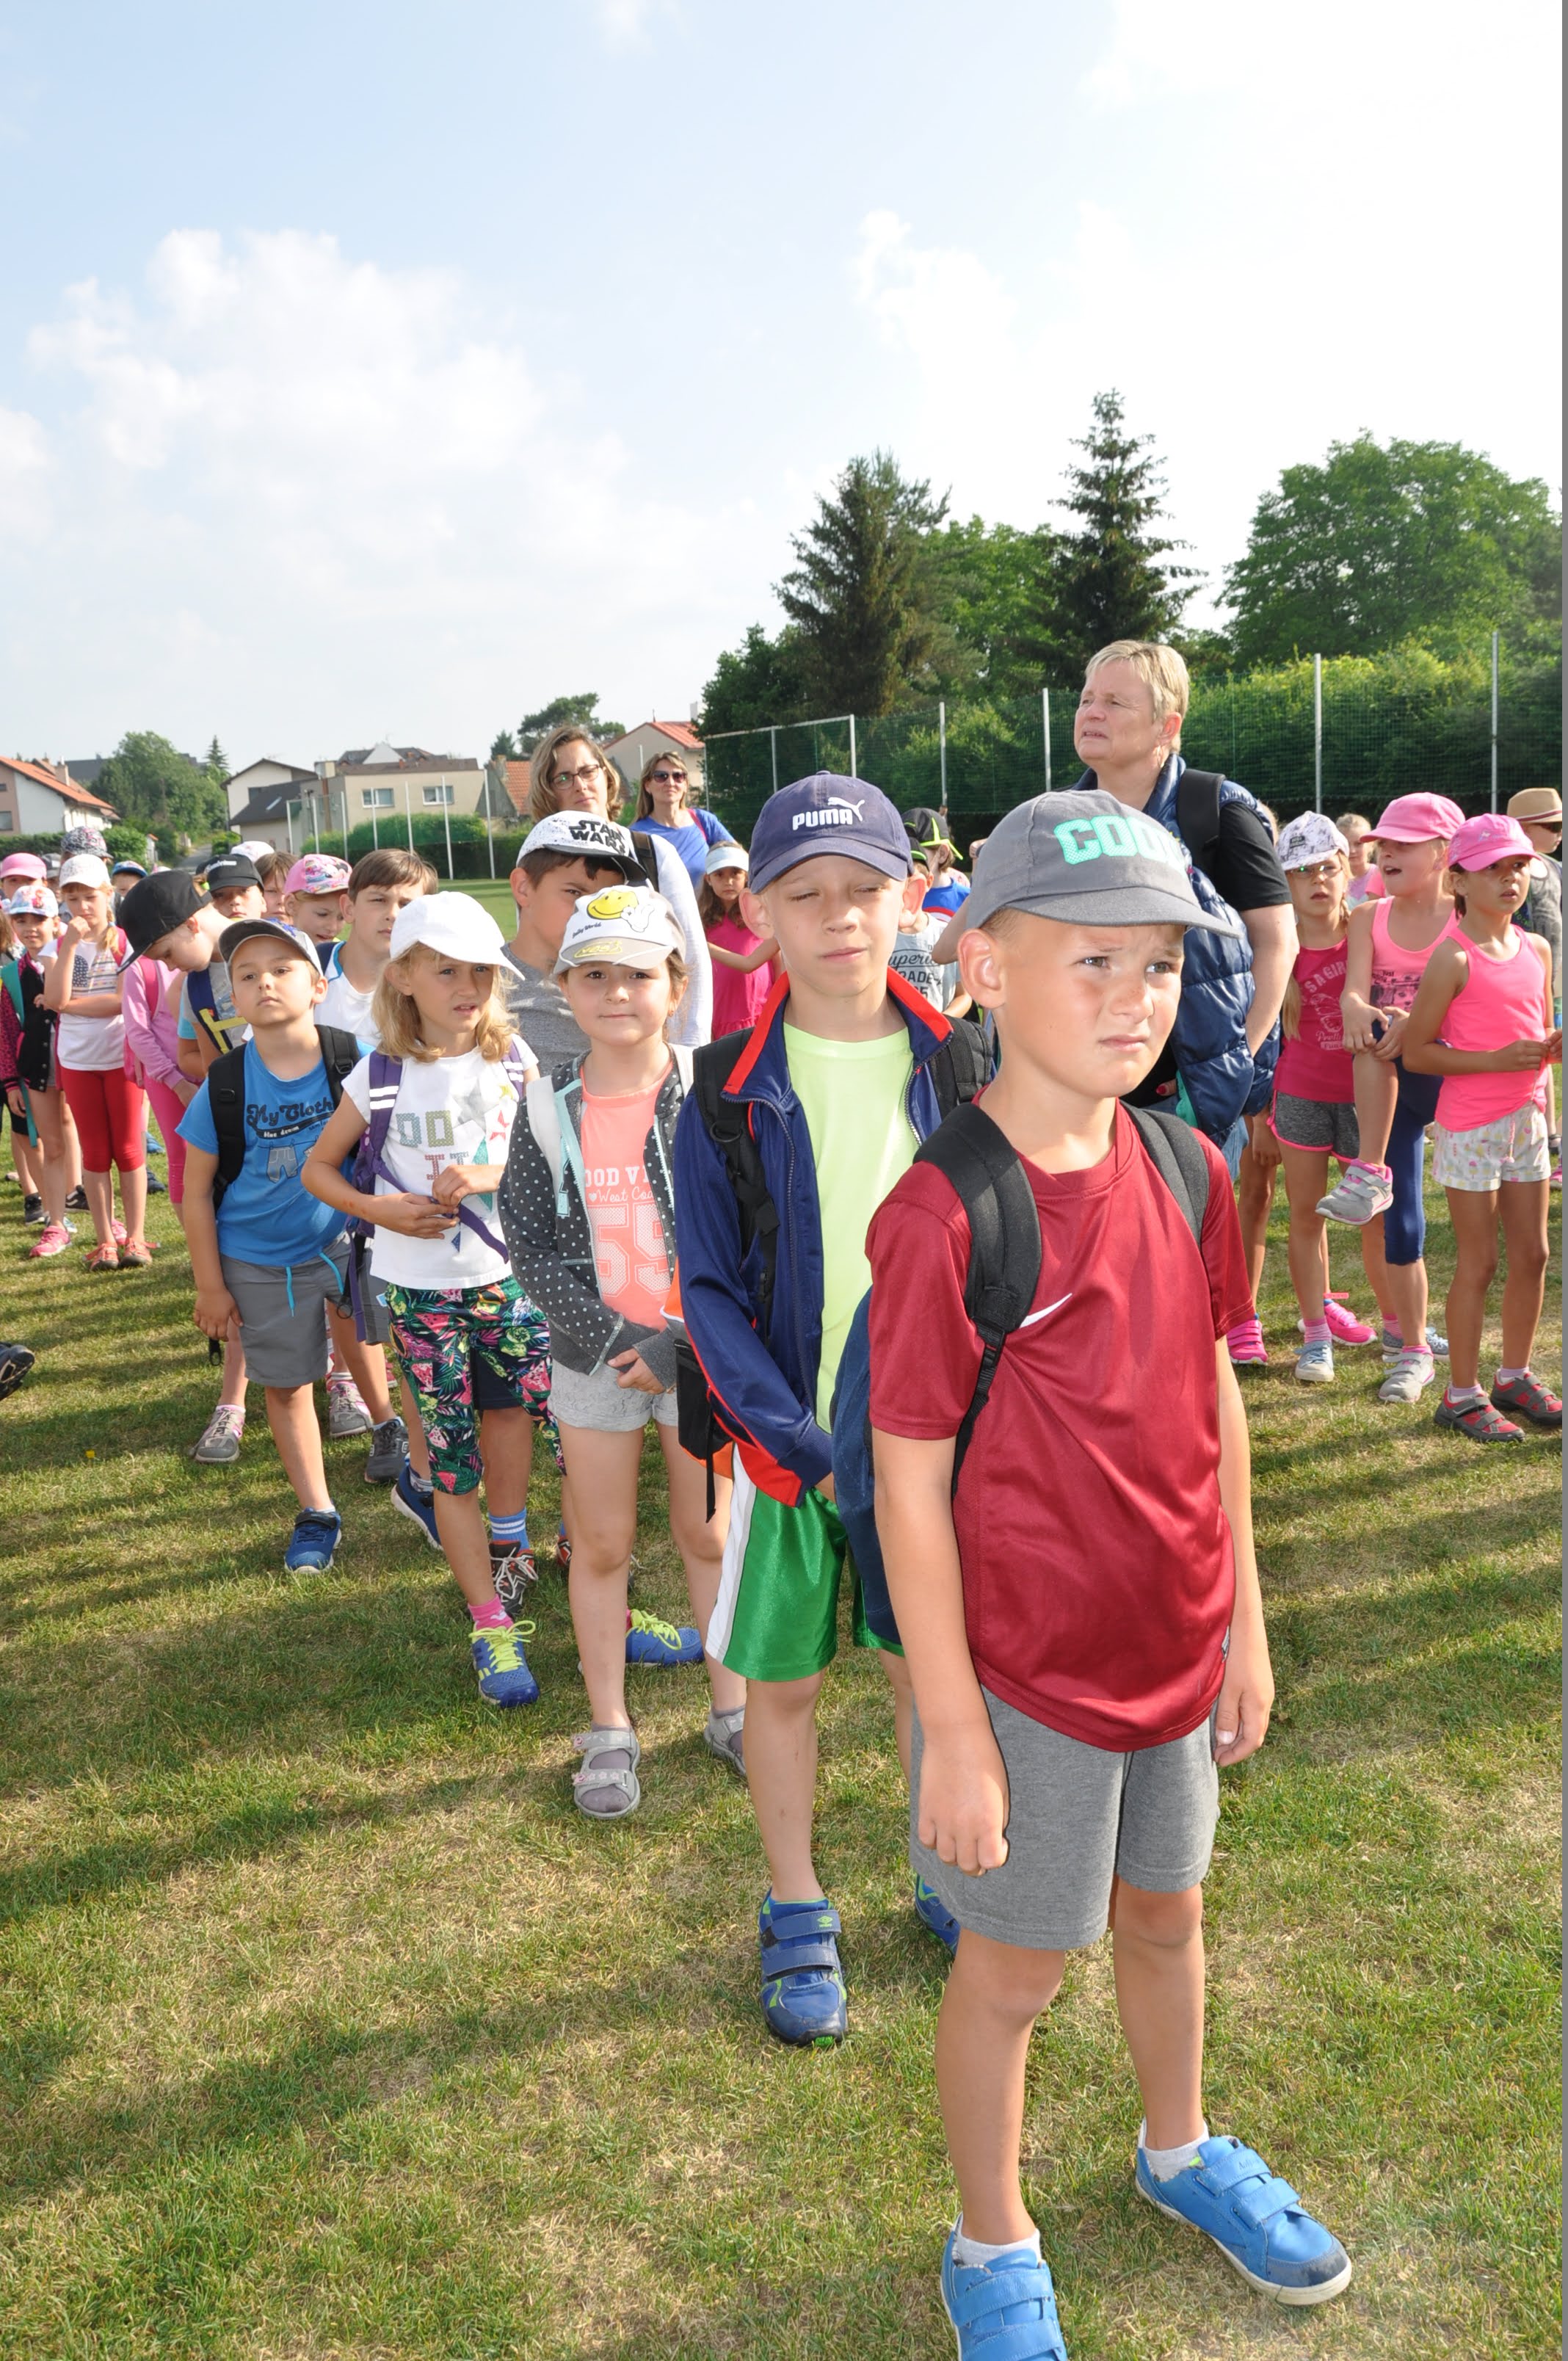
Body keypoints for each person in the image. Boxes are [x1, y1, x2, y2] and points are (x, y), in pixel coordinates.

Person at [868, 790, 1351, 2353]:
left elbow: (1211, 1401)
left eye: (1157, 964)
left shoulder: (1189, 1164)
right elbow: (908, 1484)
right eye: (1094, 962)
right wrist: (954, 1731)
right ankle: (989, 2236)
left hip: (1177, 1648)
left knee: (1166, 1916)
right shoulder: (947, 1213)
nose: (1136, 999)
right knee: (1014, 1971)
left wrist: (1244, 1628)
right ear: (983, 968)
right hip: (1030, 1680)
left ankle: (1178, 2146)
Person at [674, 771, 984, 2048]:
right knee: (784, 1685)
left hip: (935, 1449)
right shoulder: (722, 1086)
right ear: (756, 911)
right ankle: (796, 1903)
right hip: (788, 1452)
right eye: (806, 895)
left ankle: (943, 1864)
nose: (841, 917)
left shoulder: (966, 1062)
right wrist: (782, 1433)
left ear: (908, 896)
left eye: (865, 889)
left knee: (928, 1670)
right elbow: (705, 1286)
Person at [501, 884, 749, 1813]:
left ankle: (733, 1707)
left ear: (677, 985)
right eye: (594, 975)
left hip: (701, 1355)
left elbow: (746, 1234)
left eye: (638, 975)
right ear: (564, 988)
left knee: (708, 1533)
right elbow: (529, 1243)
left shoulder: (715, 1090)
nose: (616, 994)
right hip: (591, 1360)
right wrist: (621, 1342)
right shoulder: (543, 1105)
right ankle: (609, 1725)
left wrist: (677, 1343)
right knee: (601, 1543)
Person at [303, 894, 553, 1704]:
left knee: (543, 1425)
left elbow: (556, 1160)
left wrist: (489, 1174)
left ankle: (549, 1571)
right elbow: (318, 1169)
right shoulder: (377, 1074)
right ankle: (489, 1624)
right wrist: (377, 1209)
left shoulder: (514, 1060)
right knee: (450, 1462)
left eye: (480, 971)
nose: (467, 987)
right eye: (446, 970)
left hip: (512, 1284)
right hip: (419, 1298)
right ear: (403, 977)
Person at [178, 918, 397, 1570]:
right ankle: (317, 1512)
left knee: (377, 1344)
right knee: (287, 1385)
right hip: (257, 1260)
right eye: (247, 976)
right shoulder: (225, 1083)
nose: (265, 983)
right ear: (234, 999)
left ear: (317, 986)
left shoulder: (355, 1059)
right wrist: (211, 1286)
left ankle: (395, 1439)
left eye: (282, 969)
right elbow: (194, 1192)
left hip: (349, 1239)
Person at [1059, 642, 1296, 1174]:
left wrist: (1235, 1058)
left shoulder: (1216, 811)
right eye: (1087, 699)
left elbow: (1279, 943)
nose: (1092, 712)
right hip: (1079, 1095)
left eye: (1115, 702)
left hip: (1181, 1107)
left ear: (1166, 726)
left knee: (1178, 1229)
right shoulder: (1057, 822)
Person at [1403, 814, 1561, 1441]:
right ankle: (1461, 1395)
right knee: (1481, 1260)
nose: (1510, 879)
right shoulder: (1451, 958)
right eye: (1493, 869)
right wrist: (1495, 1061)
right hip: (1471, 1129)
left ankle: (1514, 1376)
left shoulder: (1537, 948)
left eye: (1518, 866)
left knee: (1534, 1253)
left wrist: (1550, 1050)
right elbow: (1417, 1053)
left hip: (1528, 1123)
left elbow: (1534, 1031)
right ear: (1459, 881)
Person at [1316, 794, 1464, 1407]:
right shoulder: (1368, 916)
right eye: (1383, 844)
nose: (1386, 853)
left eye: (1404, 843)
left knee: (1492, 1236)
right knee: (1401, 1219)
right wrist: (1360, 1010)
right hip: (1390, 1074)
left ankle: (1369, 1170)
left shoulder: (1468, 918)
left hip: (1455, 1077)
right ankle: (1413, 1350)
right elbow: (1353, 994)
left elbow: (1484, 1006)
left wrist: (1419, 1025)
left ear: (1444, 852)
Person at [119, 868, 256, 1461]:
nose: (167, 967)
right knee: (243, 1263)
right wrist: (231, 1071)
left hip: (312, 1134)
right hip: (242, 1140)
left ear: (192, 923)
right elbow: (187, 1054)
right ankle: (233, 1401)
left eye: (167, 952)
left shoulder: (273, 948)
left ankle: (346, 1379)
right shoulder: (193, 984)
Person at [1268, 815, 1385, 1384]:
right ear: (1285, 881)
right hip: (1301, 1096)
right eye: (1302, 871)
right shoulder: (1277, 949)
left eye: (1327, 867)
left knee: (1377, 1218)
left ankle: (1403, 1324)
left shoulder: (1371, 932)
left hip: (1368, 1099)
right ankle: (1316, 1336)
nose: (1317, 880)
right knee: (1306, 1216)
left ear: (1347, 870)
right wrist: (1259, 1113)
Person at [521, 723, 712, 1046]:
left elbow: (691, 957)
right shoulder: (537, 860)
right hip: (567, 1041)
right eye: (564, 778)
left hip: (651, 1044)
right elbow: (535, 958)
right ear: (547, 791)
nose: (581, 785)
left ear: (607, 776)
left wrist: (690, 1050)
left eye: (588, 771)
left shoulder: (652, 852)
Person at [43, 855, 151, 1269]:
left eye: (90, 897)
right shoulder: (58, 945)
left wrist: (69, 1004)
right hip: (77, 1060)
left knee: (129, 1148)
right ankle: (105, 1240)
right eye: (72, 898)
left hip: (120, 1057)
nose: (82, 906)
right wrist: (70, 945)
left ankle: (136, 1237)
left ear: (108, 895)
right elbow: (56, 998)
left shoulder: (124, 941)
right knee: (94, 1152)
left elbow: (121, 1000)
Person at [0, 885, 75, 1256]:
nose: (30, 928)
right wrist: (10, 1081)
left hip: (79, 1063)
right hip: (35, 1069)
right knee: (44, 1141)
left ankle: (90, 1205)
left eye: (38, 919)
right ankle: (55, 1217)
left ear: (56, 922)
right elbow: (6, 1031)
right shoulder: (11, 975)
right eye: (21, 920)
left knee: (78, 1134)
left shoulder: (73, 962)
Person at [319, 849, 438, 1038]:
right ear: (349, 909)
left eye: (406, 905)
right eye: (379, 900)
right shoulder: (309, 971)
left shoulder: (432, 991)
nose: (393, 914)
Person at [1507, 787, 1562, 1180]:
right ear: (1525, 829)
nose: (1560, 833)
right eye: (1553, 826)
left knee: (1551, 1054)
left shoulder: (1556, 870)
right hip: (1517, 984)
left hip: (1554, 982)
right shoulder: (1510, 874)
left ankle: (1552, 1135)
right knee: (1529, 1055)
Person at [631, 747, 738, 891]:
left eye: (678, 776)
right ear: (647, 785)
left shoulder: (704, 821)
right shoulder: (635, 835)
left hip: (706, 907)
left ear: (686, 785)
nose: (670, 782)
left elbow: (740, 860)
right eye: (661, 776)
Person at [700, 842, 776, 1035]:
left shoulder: (763, 915)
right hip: (716, 1020)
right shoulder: (700, 921)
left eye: (735, 873)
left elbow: (779, 967)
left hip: (760, 1017)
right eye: (719, 874)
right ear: (708, 879)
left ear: (747, 876)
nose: (728, 881)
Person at [904, 808, 971, 917]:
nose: (907, 861)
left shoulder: (968, 901)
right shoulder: (897, 898)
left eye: (916, 854)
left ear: (942, 854)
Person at [284, 853, 353, 948]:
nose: (333, 927)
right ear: (291, 905)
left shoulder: (341, 953)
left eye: (341, 917)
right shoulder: (271, 952)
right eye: (323, 914)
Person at [1336, 813, 1382, 906]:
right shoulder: (1334, 878)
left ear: (1371, 845)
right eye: (1346, 844)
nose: (1352, 850)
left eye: (1358, 844)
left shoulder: (1382, 875)